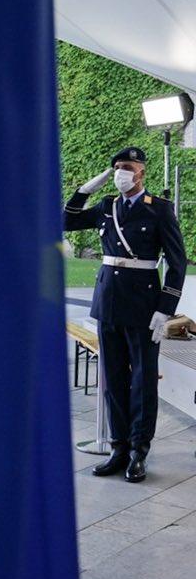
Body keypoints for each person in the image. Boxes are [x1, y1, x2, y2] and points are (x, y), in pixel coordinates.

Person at [64, 146, 186, 483]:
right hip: (108, 303)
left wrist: (165, 310)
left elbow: (177, 263)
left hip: (144, 306)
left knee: (143, 382)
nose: (121, 172)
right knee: (113, 379)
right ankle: (118, 448)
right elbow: (66, 221)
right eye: (117, 167)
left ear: (142, 172)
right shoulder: (107, 206)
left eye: (128, 167)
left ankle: (138, 451)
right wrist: (84, 190)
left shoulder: (159, 209)